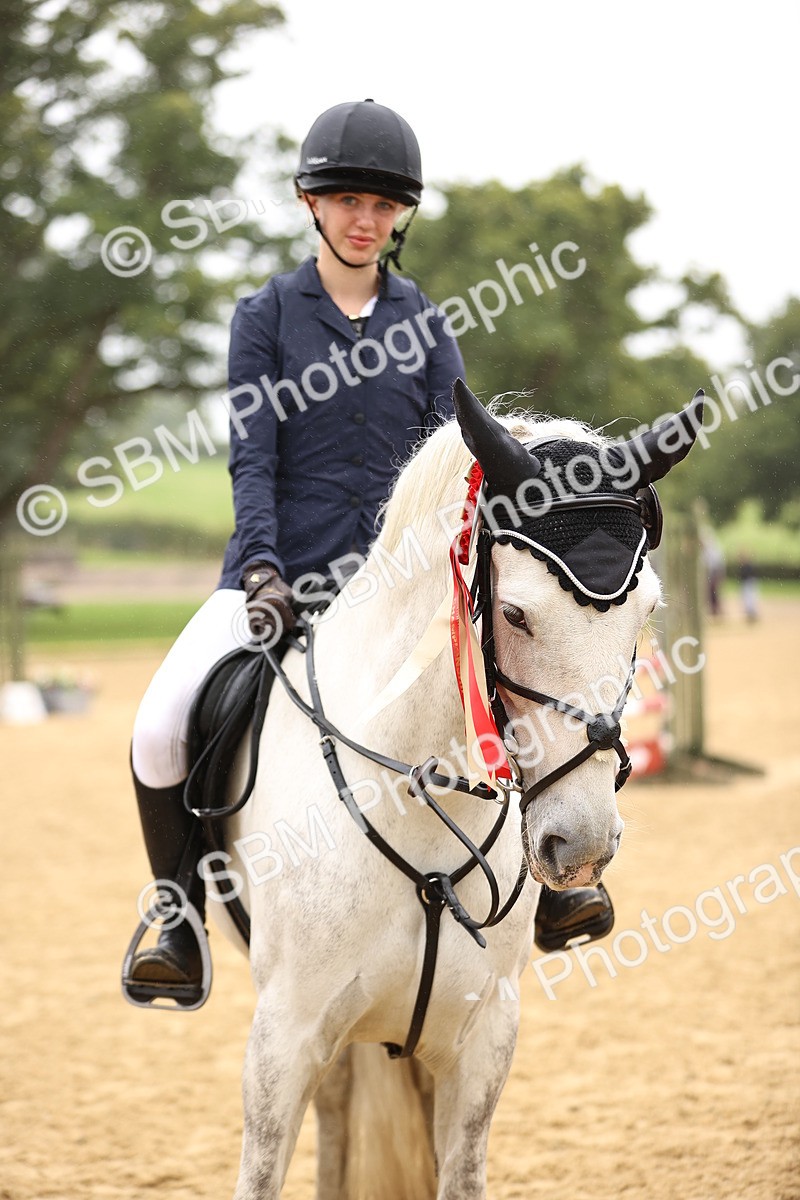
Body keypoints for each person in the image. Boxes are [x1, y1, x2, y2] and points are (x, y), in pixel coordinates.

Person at [122, 99, 612, 1007]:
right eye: (348, 200)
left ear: (400, 217)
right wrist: (261, 569)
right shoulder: (264, 316)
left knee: (524, 682)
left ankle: (558, 887)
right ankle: (177, 919)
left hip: (400, 589)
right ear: (311, 202)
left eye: (384, 206)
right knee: (159, 724)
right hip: (278, 575)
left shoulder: (425, 321)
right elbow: (252, 457)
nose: (365, 219)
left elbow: (458, 454)